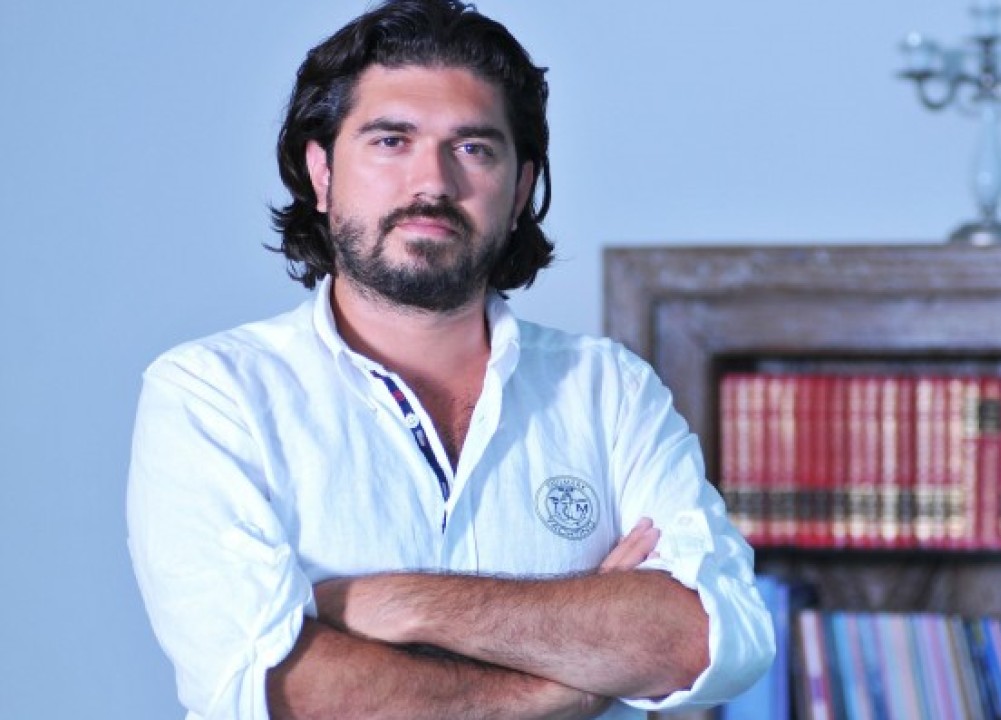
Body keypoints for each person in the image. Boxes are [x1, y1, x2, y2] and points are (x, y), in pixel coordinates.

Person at [126, 1, 774, 718]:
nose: (431, 183)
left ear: (520, 189)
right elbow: (281, 687)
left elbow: (712, 639)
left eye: (472, 148)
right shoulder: (215, 395)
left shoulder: (608, 391)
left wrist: (398, 605)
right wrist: (576, 679)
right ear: (322, 173)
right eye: (391, 141)